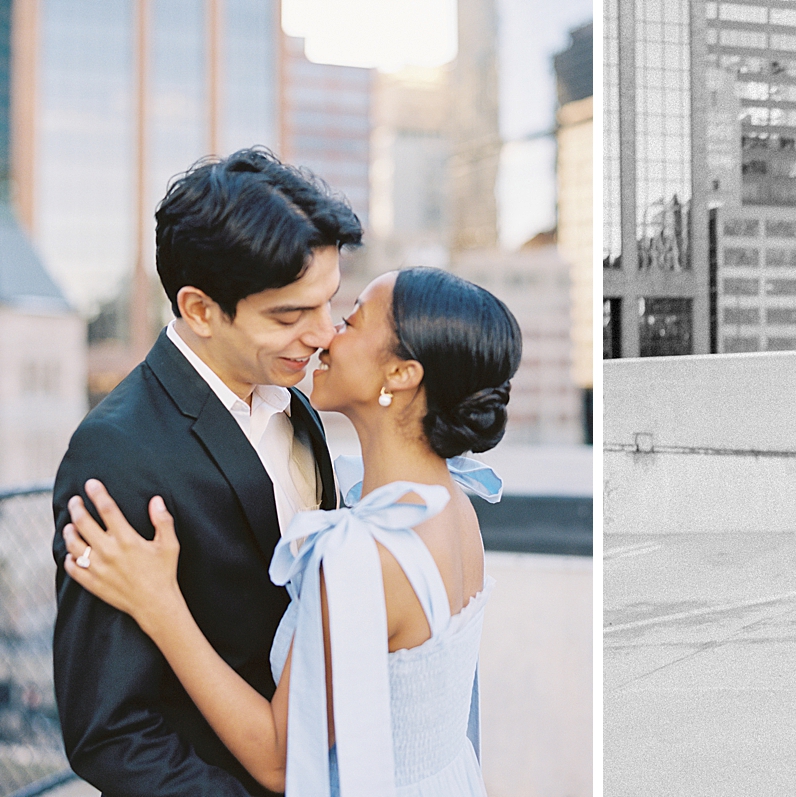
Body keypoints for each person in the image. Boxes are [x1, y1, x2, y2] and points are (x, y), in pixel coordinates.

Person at [61, 266, 522, 796]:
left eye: (350, 321)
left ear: (400, 374)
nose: (326, 335)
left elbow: (280, 760)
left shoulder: (364, 554)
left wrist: (161, 605)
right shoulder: (453, 503)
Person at [52, 148, 360, 796]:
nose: (326, 333)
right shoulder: (115, 454)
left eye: (329, 303)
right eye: (290, 315)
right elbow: (110, 732)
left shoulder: (297, 405)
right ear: (198, 309)